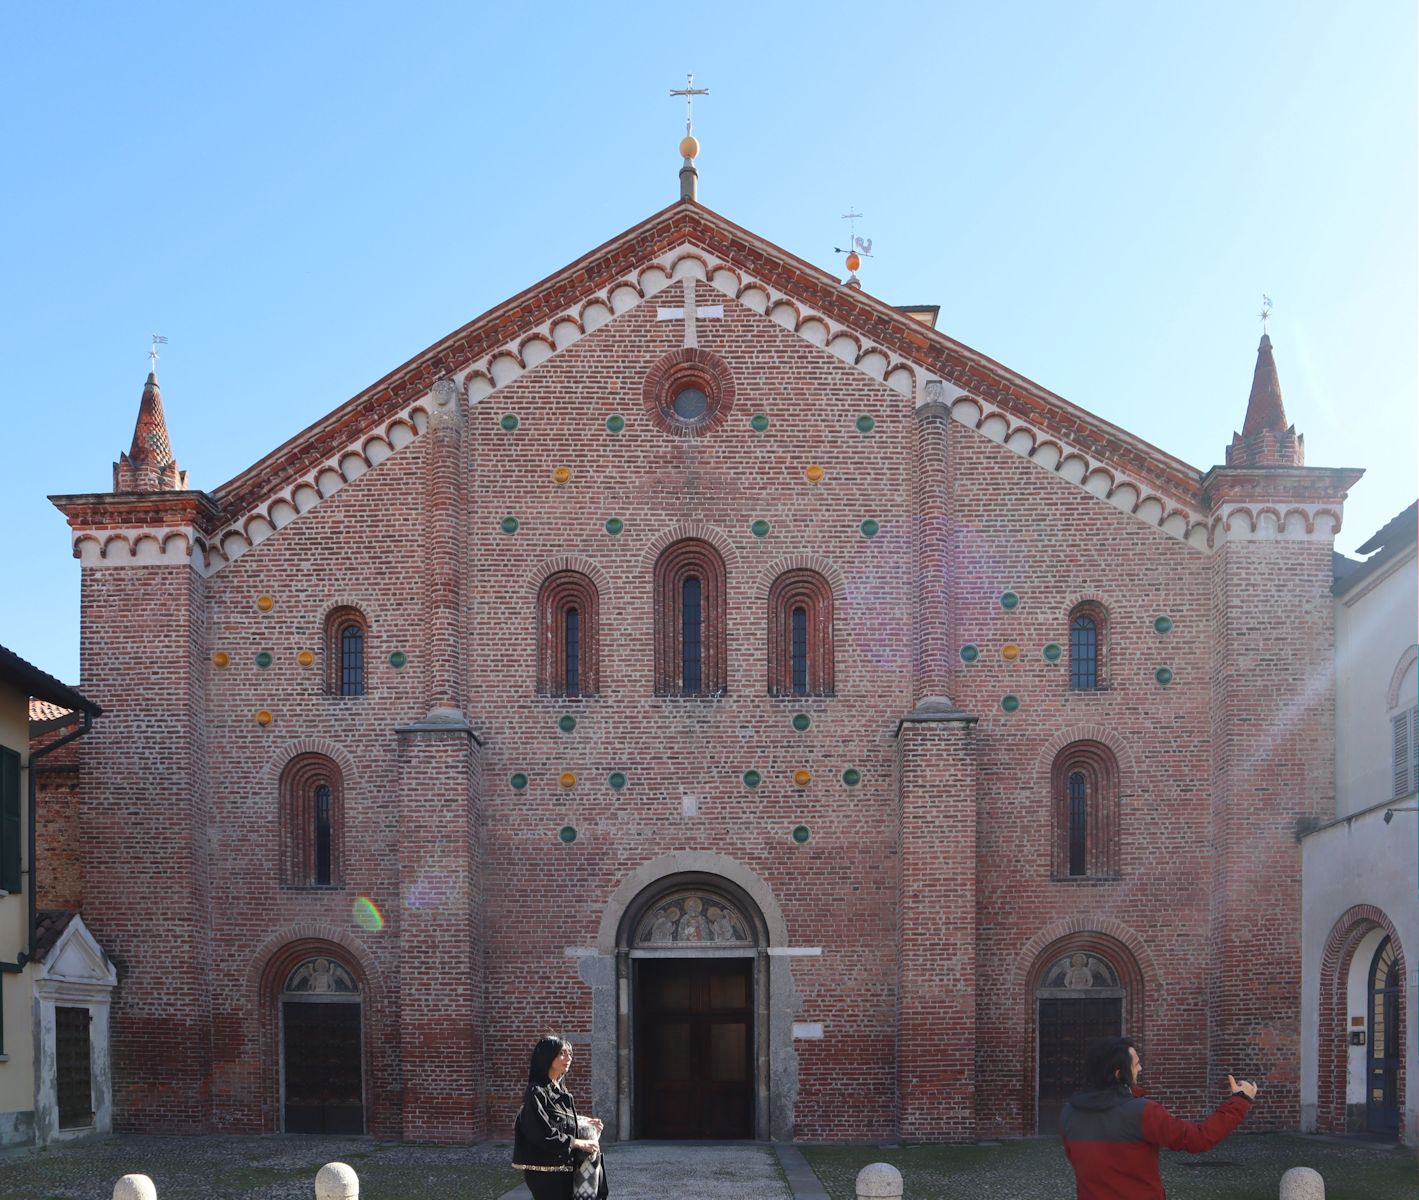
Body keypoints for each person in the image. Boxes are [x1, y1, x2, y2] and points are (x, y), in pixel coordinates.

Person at [1060, 1036, 1256, 1199]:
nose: (1140, 1069)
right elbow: (1198, 1139)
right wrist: (1240, 1101)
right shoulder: (1143, 1112)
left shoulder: (1069, 1113)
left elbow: (1077, 1159)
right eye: (1136, 1064)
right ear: (1119, 1074)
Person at [512, 1035, 608, 1200]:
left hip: (565, 1169)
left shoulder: (559, 1090)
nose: (569, 1058)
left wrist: (584, 1122)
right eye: (562, 1053)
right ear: (547, 1057)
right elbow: (543, 1133)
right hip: (547, 1174)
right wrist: (579, 1142)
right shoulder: (536, 1092)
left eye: (569, 1053)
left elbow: (558, 1119)